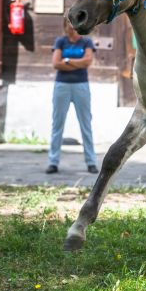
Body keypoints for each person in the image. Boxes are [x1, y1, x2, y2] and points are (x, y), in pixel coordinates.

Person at [47, 17, 98, 174]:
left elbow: (88, 61)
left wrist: (67, 61)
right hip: (61, 86)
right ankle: (53, 162)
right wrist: (78, 62)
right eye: (69, 22)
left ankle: (91, 162)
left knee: (86, 124)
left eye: (74, 23)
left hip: (81, 86)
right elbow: (56, 64)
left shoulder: (86, 42)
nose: (72, 26)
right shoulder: (60, 41)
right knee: (57, 124)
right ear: (65, 25)